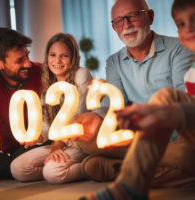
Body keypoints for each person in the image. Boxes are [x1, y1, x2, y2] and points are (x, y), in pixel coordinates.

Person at [79, 0, 195, 199]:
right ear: (113, 27)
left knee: (166, 98)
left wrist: (159, 116)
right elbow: (114, 106)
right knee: (87, 151)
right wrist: (96, 117)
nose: (126, 25)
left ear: (149, 17)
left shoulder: (179, 48)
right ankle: (139, 169)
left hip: (178, 136)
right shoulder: (114, 62)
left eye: (132, 16)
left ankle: (132, 175)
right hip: (143, 135)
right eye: (118, 21)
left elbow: (183, 101)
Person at [10, 33, 93, 184]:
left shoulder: (82, 75)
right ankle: (59, 166)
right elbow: (46, 127)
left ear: (73, 57)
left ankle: (90, 165)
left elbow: (78, 116)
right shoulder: (47, 88)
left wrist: (58, 145)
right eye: (52, 55)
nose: (57, 60)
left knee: (53, 173)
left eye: (64, 56)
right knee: (18, 169)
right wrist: (38, 137)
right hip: (58, 144)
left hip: (81, 142)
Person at [0, 27, 49, 179]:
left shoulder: (42, 72)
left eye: (27, 56)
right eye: (19, 60)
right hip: (6, 151)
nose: (28, 64)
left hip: (38, 143)